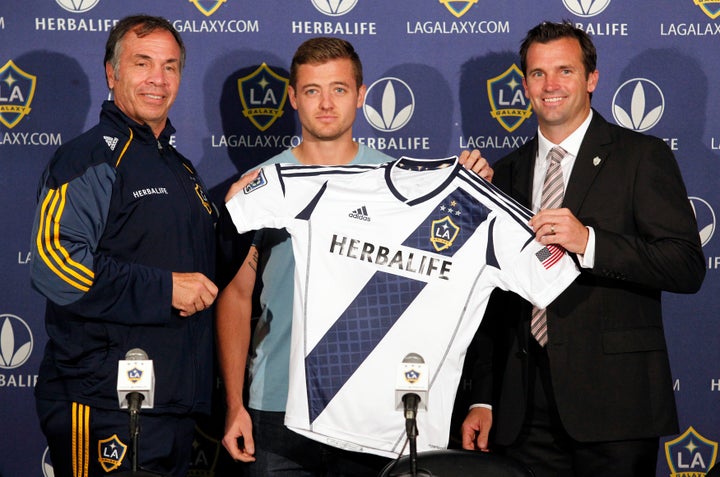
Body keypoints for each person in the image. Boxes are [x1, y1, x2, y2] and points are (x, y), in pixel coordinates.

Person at [215, 37, 492, 476]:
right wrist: (235, 404)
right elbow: (236, 296)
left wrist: (470, 193)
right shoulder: (261, 187)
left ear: (362, 96)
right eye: (312, 90)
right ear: (292, 98)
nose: (326, 104)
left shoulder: (405, 186)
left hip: (370, 407)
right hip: (276, 405)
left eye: (339, 89)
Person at [460, 20, 706, 477]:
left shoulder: (641, 156)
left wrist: (588, 242)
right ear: (525, 83)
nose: (551, 85)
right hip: (521, 416)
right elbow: (490, 302)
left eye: (565, 71)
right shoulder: (504, 174)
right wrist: (482, 396)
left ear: (591, 79)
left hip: (615, 412)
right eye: (537, 73)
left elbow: (686, 266)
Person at [30, 15, 218, 477]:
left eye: (170, 66)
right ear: (112, 73)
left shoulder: (180, 168)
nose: (158, 79)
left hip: (170, 409)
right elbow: (57, 267)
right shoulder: (89, 157)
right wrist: (163, 289)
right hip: (102, 403)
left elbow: (198, 273)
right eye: (143, 63)